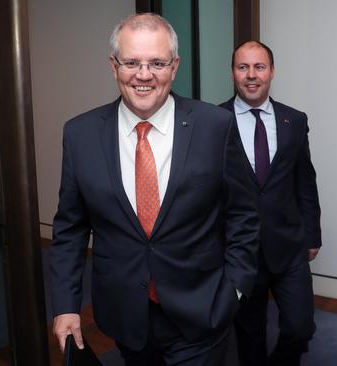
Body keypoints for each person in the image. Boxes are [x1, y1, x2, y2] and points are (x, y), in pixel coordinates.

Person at [49, 14, 259, 366]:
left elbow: (243, 213)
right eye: (131, 62)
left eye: (157, 63)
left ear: (174, 67)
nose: (144, 75)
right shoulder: (80, 134)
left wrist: (234, 289)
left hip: (203, 310)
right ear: (113, 65)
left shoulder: (216, 126)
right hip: (125, 315)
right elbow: (70, 229)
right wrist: (66, 305)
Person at [219, 41, 322, 366]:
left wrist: (312, 234)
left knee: (300, 327)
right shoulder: (212, 121)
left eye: (259, 67)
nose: (251, 75)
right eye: (243, 67)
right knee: (250, 335)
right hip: (238, 249)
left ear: (272, 72)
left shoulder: (294, 120)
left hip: (289, 244)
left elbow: (305, 180)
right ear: (234, 72)